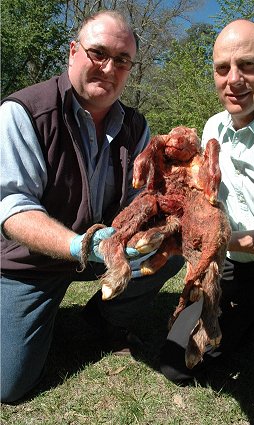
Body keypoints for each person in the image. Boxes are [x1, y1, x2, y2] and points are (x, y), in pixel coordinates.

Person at [0, 10, 184, 403]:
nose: (108, 68)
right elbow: (13, 209)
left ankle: (103, 318)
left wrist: (171, 215)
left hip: (106, 250)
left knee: (171, 248)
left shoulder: (136, 126)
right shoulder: (25, 112)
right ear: (72, 52)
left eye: (121, 60)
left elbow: (143, 198)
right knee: (9, 385)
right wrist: (89, 245)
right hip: (30, 264)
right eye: (98, 53)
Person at [159, 19, 254, 421]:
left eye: (248, 66)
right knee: (176, 364)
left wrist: (220, 241)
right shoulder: (213, 127)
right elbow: (204, 200)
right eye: (223, 68)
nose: (233, 80)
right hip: (234, 268)